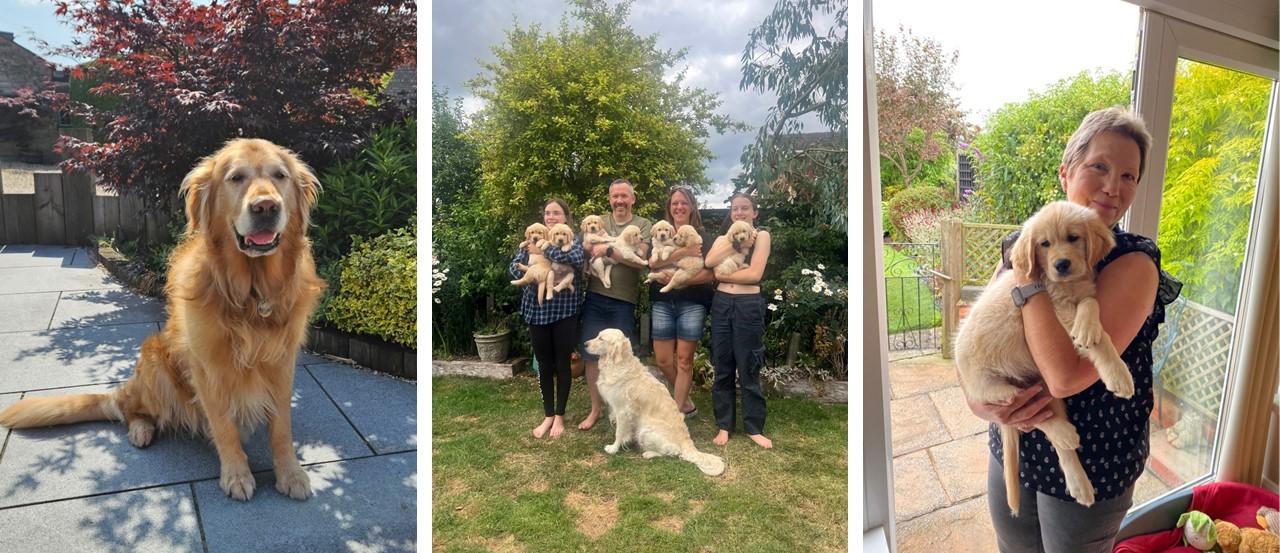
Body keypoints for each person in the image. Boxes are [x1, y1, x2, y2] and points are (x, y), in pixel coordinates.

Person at [963, 107, 1181, 552]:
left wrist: (1026, 277)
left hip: (1096, 456)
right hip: (1021, 437)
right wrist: (983, 403)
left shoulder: (1133, 260)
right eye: (1099, 167)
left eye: (1129, 176)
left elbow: (1063, 374)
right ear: (1066, 172)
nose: (1113, 186)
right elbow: (980, 343)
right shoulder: (1031, 241)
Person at [577, 179, 652, 430]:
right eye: (615, 197)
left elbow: (639, 259)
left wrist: (607, 251)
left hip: (624, 301)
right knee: (590, 356)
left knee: (620, 358)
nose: (619, 201)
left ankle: (621, 410)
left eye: (624, 196)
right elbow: (585, 248)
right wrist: (593, 249)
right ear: (610, 200)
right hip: (595, 297)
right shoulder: (598, 221)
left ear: (632, 198)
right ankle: (596, 409)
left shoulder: (642, 224)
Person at [508, 198, 585, 439]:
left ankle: (560, 415)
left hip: (564, 310)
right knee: (543, 364)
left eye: (557, 213)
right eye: (548, 213)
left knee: (563, 362)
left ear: (566, 218)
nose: (551, 217)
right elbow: (513, 269)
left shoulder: (572, 241)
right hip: (536, 310)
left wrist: (542, 250)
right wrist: (531, 260)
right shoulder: (532, 238)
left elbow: (576, 260)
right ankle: (548, 415)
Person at [702, 193, 773, 449]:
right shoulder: (724, 238)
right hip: (722, 304)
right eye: (735, 209)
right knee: (722, 364)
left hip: (747, 306)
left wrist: (723, 275)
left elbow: (755, 274)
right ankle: (724, 425)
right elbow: (710, 263)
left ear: (755, 212)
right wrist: (732, 249)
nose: (739, 212)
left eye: (745, 208)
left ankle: (754, 427)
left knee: (748, 365)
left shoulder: (761, 236)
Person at [647, 186, 716, 417]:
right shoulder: (661, 234)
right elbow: (652, 264)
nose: (679, 207)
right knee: (664, 360)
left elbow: (710, 274)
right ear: (670, 207)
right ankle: (686, 402)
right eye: (675, 203)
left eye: (684, 202)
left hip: (692, 303)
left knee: (685, 360)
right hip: (663, 301)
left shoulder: (703, 239)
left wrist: (681, 281)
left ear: (692, 207)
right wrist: (679, 255)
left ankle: (676, 415)